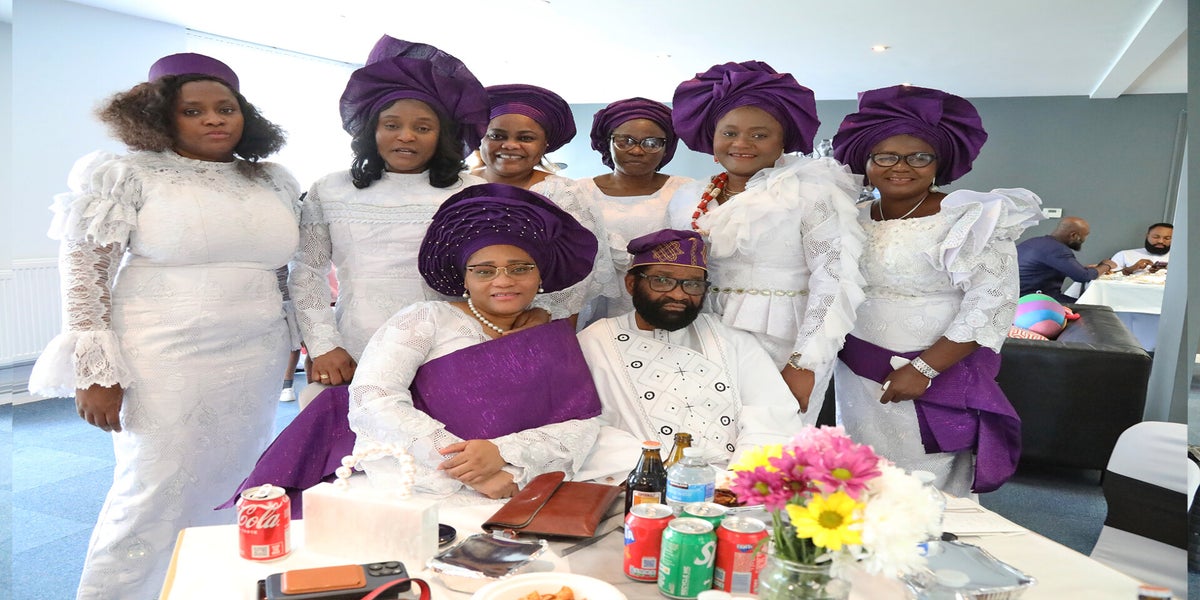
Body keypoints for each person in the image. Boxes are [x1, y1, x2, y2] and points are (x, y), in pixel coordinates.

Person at [28, 53, 300, 599]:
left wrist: (291, 338)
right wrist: (96, 370)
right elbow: (86, 273)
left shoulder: (272, 180)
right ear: (159, 117)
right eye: (192, 110)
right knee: (153, 484)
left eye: (226, 108)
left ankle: (211, 586)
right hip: (164, 353)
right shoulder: (124, 174)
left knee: (239, 475)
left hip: (256, 353)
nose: (214, 118)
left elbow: (277, 269)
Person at [831, 84, 1043, 497]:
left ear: (938, 163)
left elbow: (992, 302)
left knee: (922, 482)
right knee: (858, 472)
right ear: (866, 162)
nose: (901, 167)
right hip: (856, 371)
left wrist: (924, 370)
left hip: (932, 371)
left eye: (919, 157)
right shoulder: (851, 217)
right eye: (885, 156)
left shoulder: (968, 218)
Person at [348, 183, 602, 498]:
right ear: (464, 279)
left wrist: (502, 455)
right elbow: (373, 399)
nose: (503, 281)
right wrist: (467, 468)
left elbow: (581, 423)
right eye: (484, 271)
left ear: (540, 277)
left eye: (520, 269)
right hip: (423, 481)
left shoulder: (550, 336)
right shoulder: (426, 319)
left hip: (517, 482)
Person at [290, 36, 489, 405]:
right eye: (392, 124)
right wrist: (323, 344)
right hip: (356, 344)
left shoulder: (472, 191)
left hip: (448, 343)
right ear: (372, 130)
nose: (406, 136)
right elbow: (307, 271)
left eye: (423, 128)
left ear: (441, 135)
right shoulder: (331, 188)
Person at [665, 60, 865, 422]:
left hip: (783, 342)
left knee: (773, 443)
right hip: (701, 336)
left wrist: (804, 362)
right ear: (712, 137)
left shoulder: (809, 192)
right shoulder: (688, 197)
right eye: (729, 132)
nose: (741, 143)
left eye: (759, 135)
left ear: (782, 141)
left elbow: (834, 279)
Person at [576, 229, 805, 477]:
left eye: (693, 284)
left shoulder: (731, 339)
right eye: (662, 280)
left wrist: (740, 479)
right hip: (643, 480)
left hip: (734, 482)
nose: (678, 294)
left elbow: (771, 413)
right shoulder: (595, 341)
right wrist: (662, 470)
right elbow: (584, 428)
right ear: (631, 284)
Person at [472, 83, 616, 322]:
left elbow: (579, 269)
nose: (510, 145)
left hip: (539, 318)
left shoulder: (565, 193)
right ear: (481, 139)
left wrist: (545, 314)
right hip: (461, 315)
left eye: (526, 138)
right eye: (497, 136)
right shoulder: (456, 188)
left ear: (545, 144)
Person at [576, 98, 694, 322]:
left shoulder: (685, 190)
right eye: (625, 141)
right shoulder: (579, 192)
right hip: (596, 304)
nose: (638, 150)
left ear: (666, 148)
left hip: (666, 299)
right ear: (608, 142)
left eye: (652, 143)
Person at [1016, 216, 1117, 302]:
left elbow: (1047, 268)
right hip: (1036, 300)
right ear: (1074, 235)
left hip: (1019, 297)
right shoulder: (1057, 249)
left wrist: (1083, 269)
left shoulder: (1034, 242)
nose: (1084, 240)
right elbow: (1083, 276)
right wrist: (1106, 265)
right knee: (1094, 308)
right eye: (1084, 236)